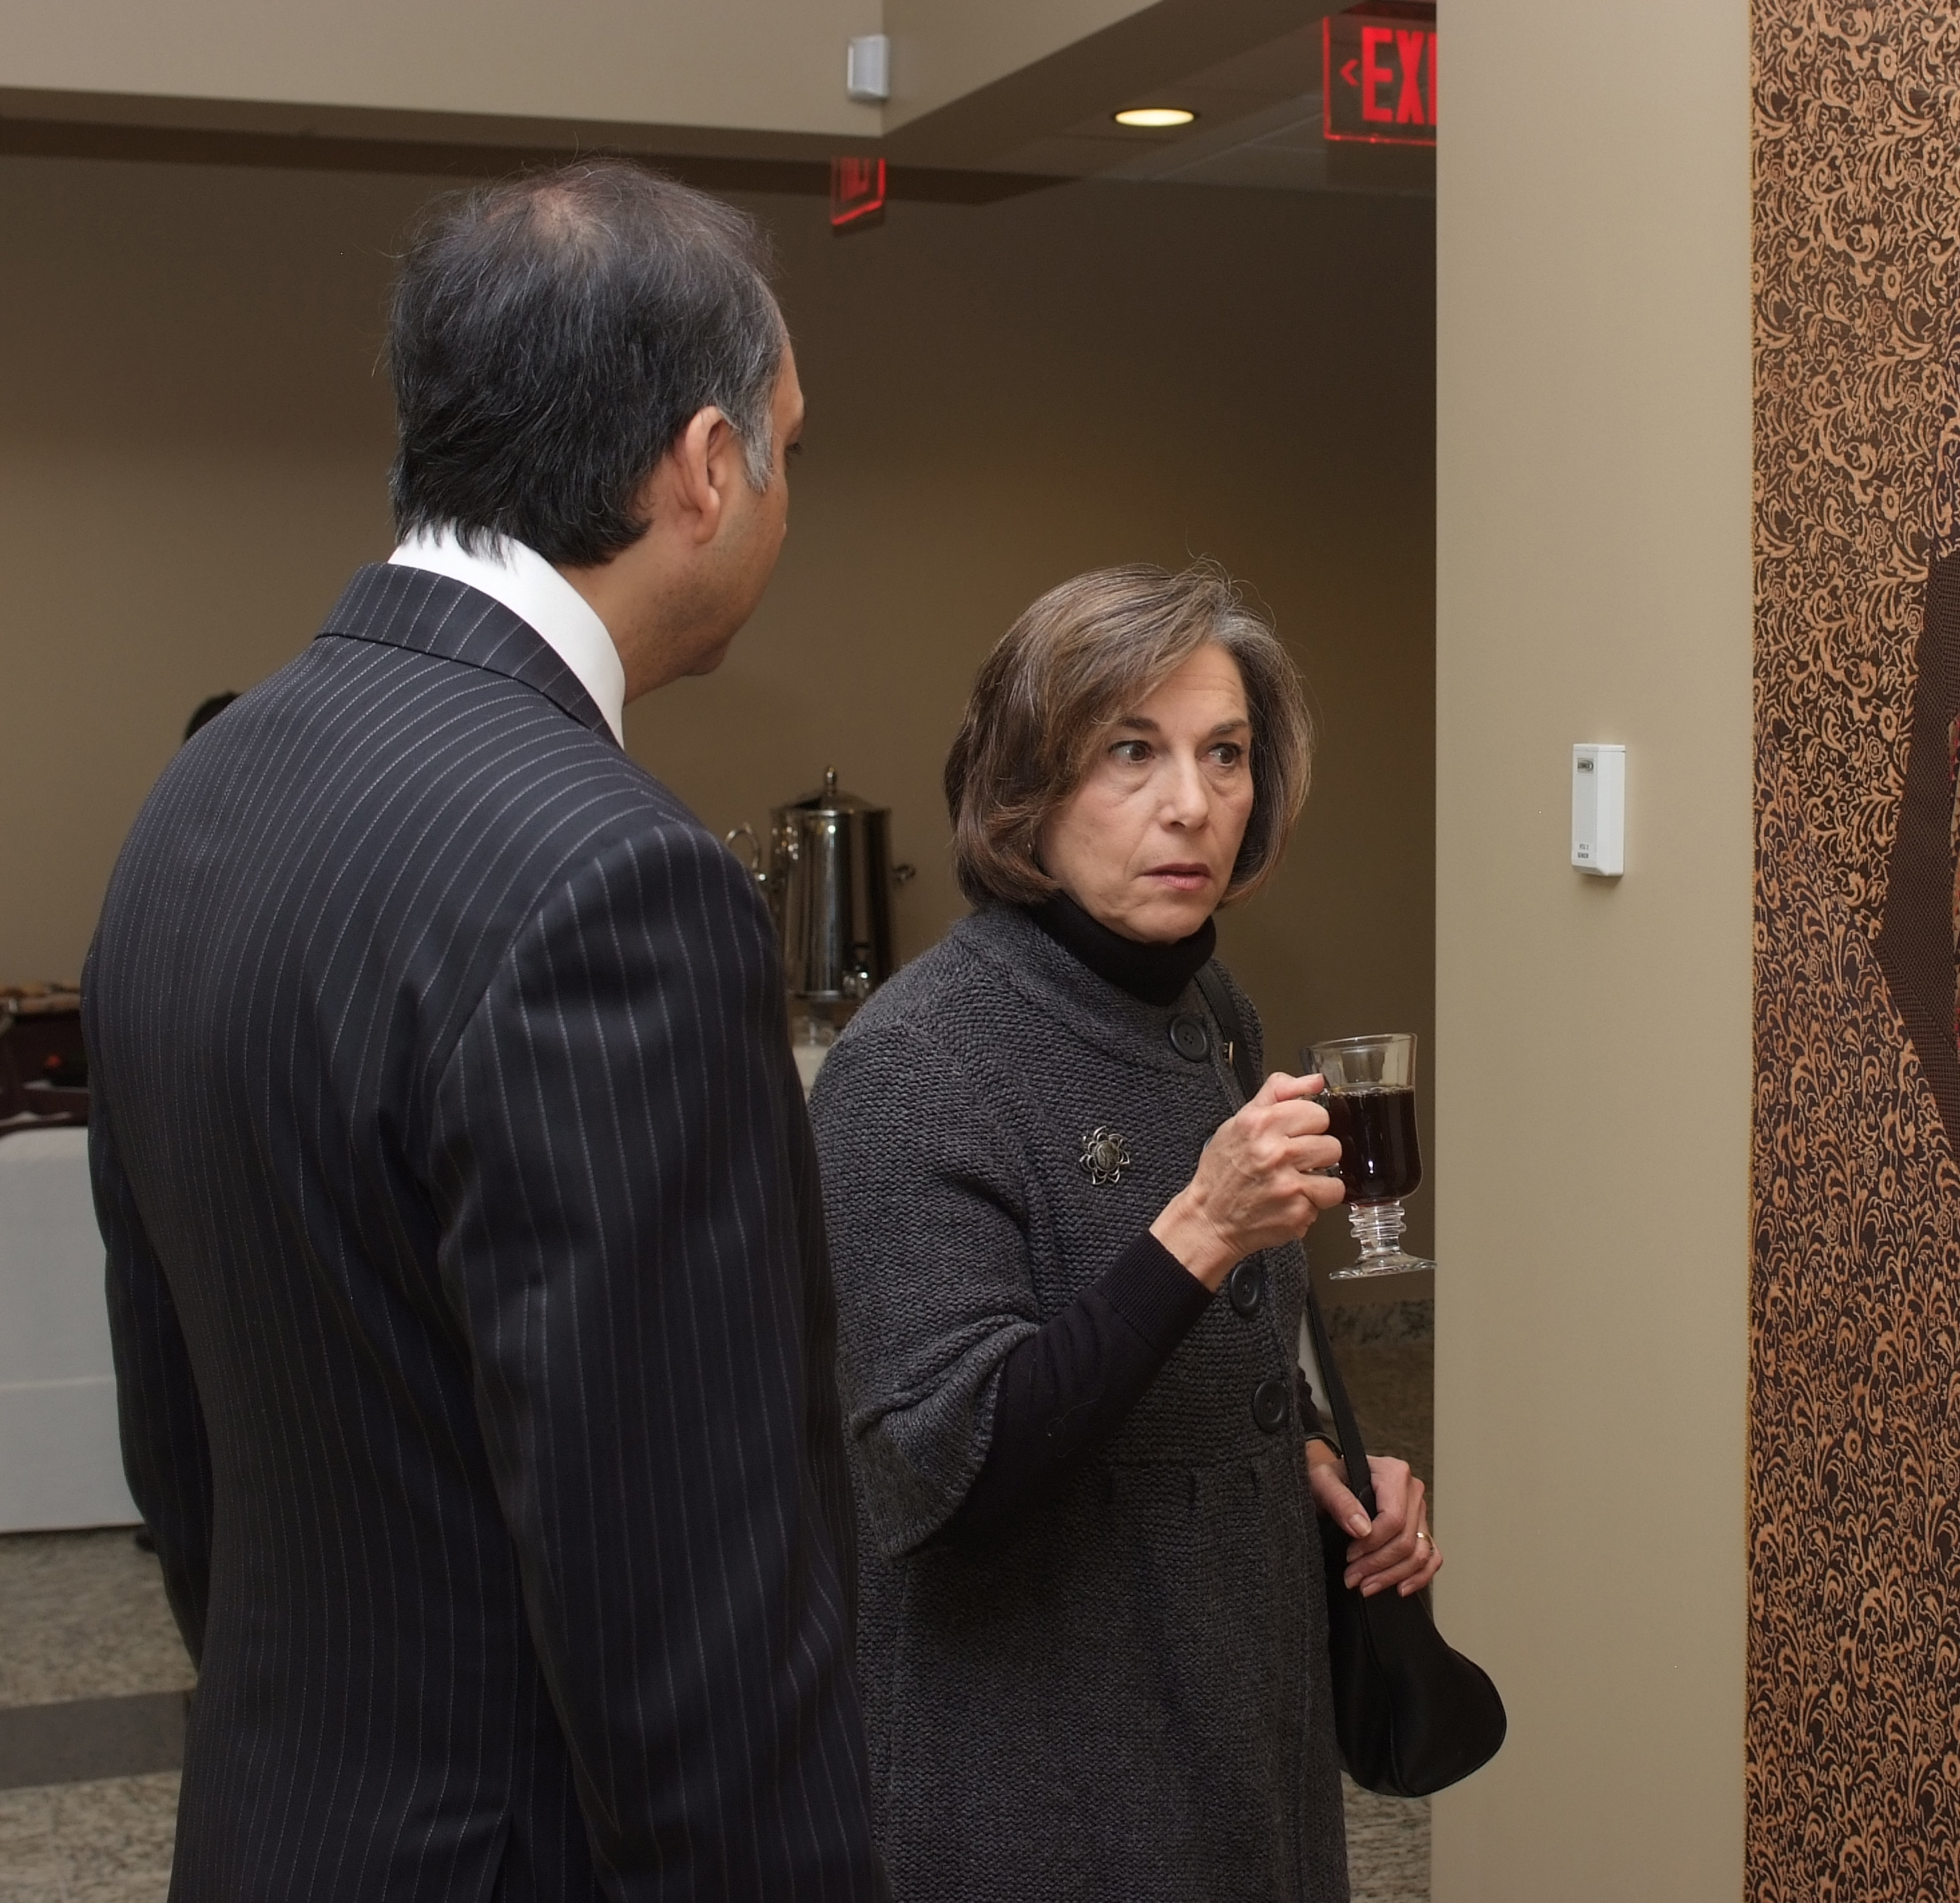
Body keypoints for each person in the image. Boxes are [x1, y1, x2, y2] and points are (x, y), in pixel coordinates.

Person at [85, 160, 881, 1899]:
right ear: (705, 465)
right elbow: (694, 1626)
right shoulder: (617, 885)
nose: (782, 494)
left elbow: (186, 1454)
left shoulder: (205, 789)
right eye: (789, 448)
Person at [809, 563, 1443, 1903]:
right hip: (1038, 1786)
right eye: (1130, 752)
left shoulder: (1214, 1008)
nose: (1194, 804)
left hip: (1239, 1732)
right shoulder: (917, 1066)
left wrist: (1324, 1468)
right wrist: (1198, 1229)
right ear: (1026, 792)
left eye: (1226, 754)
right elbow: (947, 1474)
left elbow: (1222, 1357)